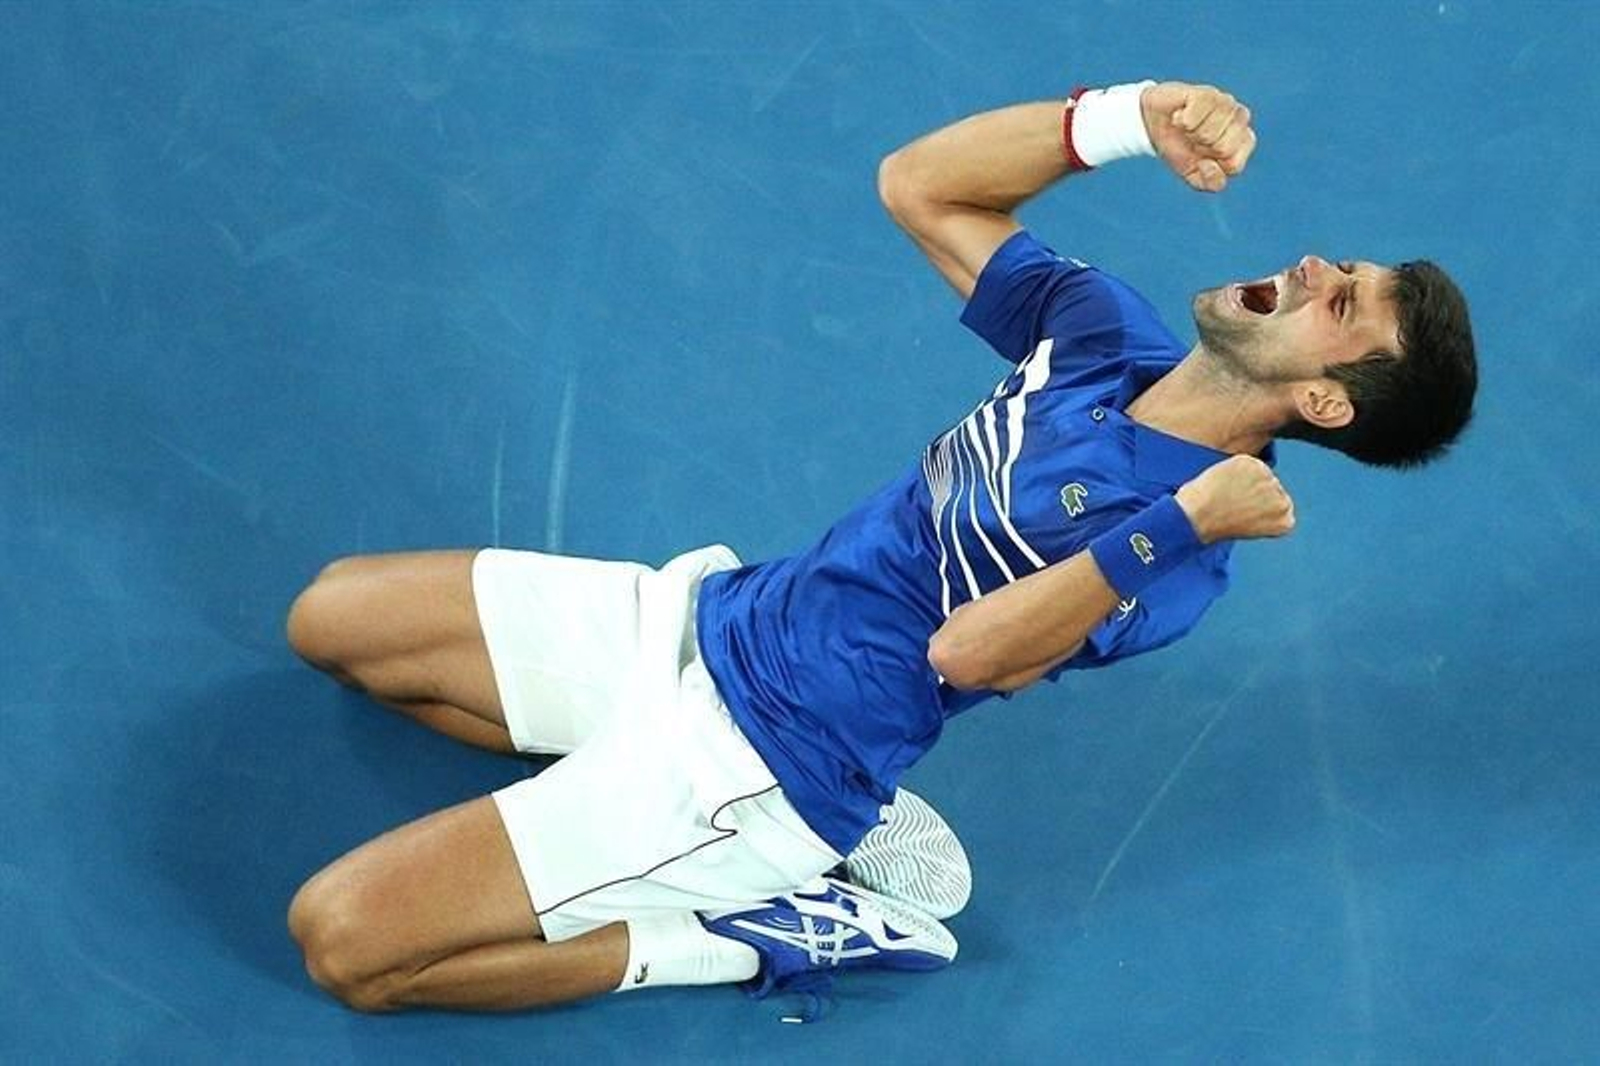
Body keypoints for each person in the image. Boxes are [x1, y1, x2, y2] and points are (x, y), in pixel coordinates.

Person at [283, 77, 1477, 1014]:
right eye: (1343, 268)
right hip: (717, 619)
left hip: (759, 768)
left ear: (1324, 403)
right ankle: (647, 825)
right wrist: (1126, 118)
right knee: (332, 620)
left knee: (347, 943)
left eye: (1339, 302)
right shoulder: (1102, 337)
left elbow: (968, 653)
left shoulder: (1184, 563)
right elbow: (921, 188)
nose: (1313, 266)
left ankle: (740, 928)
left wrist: (1176, 521)